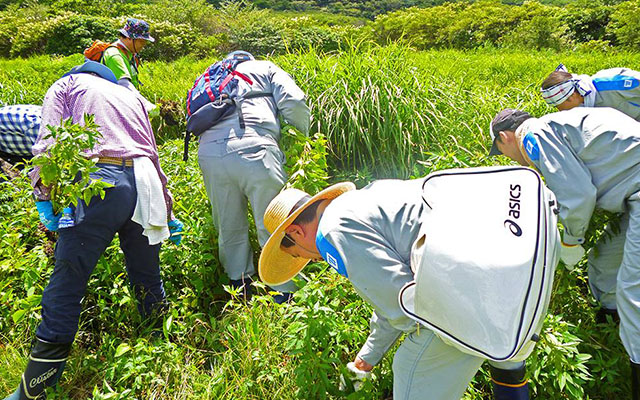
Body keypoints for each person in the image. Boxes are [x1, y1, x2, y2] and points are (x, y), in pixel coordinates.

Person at [2, 60, 183, 400]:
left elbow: (48, 143)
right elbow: (153, 155)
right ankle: (159, 353)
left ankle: (35, 388)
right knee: (146, 273)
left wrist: (43, 195)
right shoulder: (130, 95)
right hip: (145, 184)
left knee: (69, 278)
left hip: (99, 179)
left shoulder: (67, 85)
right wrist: (167, 208)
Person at [258, 183, 531, 399]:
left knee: (408, 365)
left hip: (469, 288)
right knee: (508, 360)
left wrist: (380, 350)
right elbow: (394, 293)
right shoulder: (365, 199)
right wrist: (367, 359)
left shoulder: (330, 233)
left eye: (297, 255)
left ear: (295, 232)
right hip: (516, 265)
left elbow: (403, 307)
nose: (312, 259)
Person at [487, 107, 640, 400]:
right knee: (604, 262)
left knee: (633, 293)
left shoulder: (533, 136)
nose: (508, 158)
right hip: (631, 197)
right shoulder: (558, 125)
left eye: (501, 151)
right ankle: (609, 330)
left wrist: (570, 241)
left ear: (505, 137)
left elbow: (578, 195)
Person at [197, 50, 310, 302]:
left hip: (208, 153)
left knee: (228, 223)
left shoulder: (209, 76)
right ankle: (282, 291)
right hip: (255, 147)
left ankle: (239, 289)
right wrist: (303, 136)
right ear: (250, 59)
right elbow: (295, 101)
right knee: (273, 220)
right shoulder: (264, 67)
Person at [540, 64, 640, 120]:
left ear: (572, 96)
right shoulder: (583, 107)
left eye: (559, 106)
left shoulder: (611, 83)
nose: (559, 111)